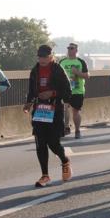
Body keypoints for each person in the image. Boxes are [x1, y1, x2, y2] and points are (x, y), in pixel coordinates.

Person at [24, 45, 73, 187]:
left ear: (51, 57)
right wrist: (28, 103)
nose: (42, 59)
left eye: (45, 57)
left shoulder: (58, 69)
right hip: (39, 110)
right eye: (40, 57)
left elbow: (67, 91)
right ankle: (45, 175)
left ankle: (65, 160)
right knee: (40, 142)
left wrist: (52, 93)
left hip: (55, 110)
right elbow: (31, 90)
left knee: (53, 143)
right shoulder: (35, 70)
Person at [59, 43, 90, 139]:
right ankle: (66, 127)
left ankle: (77, 130)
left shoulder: (81, 62)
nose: (69, 50)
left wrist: (77, 72)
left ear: (76, 50)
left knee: (75, 111)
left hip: (77, 90)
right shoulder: (62, 62)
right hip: (65, 90)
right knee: (65, 107)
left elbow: (87, 76)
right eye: (68, 48)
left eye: (72, 48)